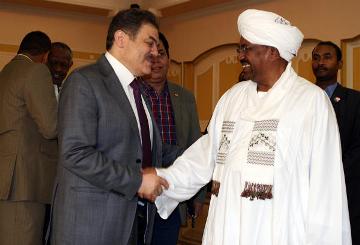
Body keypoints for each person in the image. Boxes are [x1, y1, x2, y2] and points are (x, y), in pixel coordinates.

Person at [154, 9, 352, 245]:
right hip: (225, 229)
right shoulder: (232, 98)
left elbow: (326, 187)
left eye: (245, 48)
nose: (240, 56)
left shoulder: (311, 102)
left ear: (272, 51)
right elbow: (204, 156)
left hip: (280, 232)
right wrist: (161, 180)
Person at [50, 8, 182, 245]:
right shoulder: (84, 82)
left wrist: (213, 150)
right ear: (121, 39)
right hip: (89, 226)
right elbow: (75, 153)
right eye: (149, 43)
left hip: (130, 223)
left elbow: (151, 151)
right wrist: (138, 181)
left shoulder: (138, 90)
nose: (155, 52)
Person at [141, 32, 206, 245]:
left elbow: (196, 146)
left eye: (161, 54)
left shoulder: (184, 97)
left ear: (169, 58)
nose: (156, 60)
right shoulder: (132, 93)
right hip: (138, 192)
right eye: (151, 54)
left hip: (172, 193)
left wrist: (197, 196)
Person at [0, 31, 58, 245]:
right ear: (45, 55)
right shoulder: (36, 71)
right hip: (24, 180)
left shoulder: (6, 72)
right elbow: (51, 127)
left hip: (8, 178)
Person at [312, 41, 360, 244]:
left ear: (340, 63)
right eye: (315, 57)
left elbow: (358, 148)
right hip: (306, 193)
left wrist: (331, 175)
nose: (320, 62)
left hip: (345, 191)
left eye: (327, 57)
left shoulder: (355, 101)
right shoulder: (301, 98)